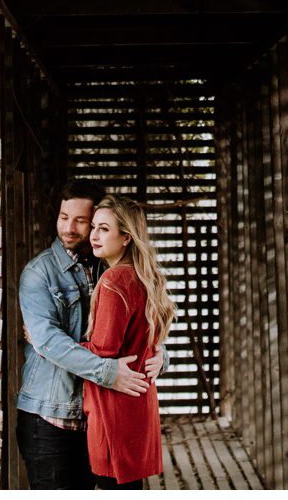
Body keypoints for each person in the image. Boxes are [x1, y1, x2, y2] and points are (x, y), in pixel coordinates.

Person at [17, 183, 166, 489]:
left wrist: (159, 354)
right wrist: (108, 372)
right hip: (53, 415)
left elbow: (141, 324)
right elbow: (49, 340)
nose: (69, 228)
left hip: (98, 415)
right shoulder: (39, 272)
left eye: (82, 221)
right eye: (63, 216)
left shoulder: (111, 265)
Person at [82, 194, 174, 489]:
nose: (93, 235)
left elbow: (102, 353)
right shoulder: (146, 277)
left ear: (125, 238)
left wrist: (50, 347)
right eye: (94, 227)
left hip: (113, 412)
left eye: (104, 229)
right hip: (139, 408)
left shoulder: (113, 281)